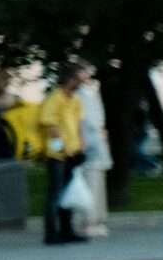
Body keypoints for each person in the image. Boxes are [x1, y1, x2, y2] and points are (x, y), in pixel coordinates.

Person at [37, 67, 87, 245]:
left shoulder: (75, 100)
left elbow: (78, 124)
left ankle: (67, 230)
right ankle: (51, 233)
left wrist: (82, 145)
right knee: (56, 194)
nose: (81, 83)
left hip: (73, 153)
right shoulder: (54, 98)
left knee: (68, 193)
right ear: (70, 79)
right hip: (57, 156)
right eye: (79, 80)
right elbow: (51, 128)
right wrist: (62, 150)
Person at [76, 67, 112, 237]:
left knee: (97, 182)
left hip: (96, 141)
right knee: (89, 183)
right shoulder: (79, 94)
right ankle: (87, 220)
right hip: (88, 143)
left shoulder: (92, 90)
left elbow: (98, 117)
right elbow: (85, 119)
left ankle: (96, 218)